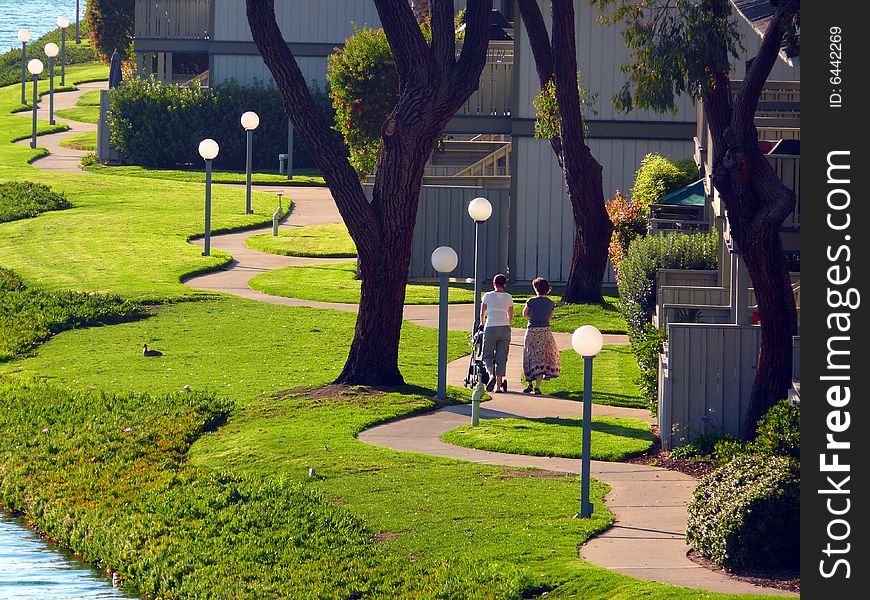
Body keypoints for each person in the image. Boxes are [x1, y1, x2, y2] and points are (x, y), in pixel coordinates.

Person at [522, 277, 560, 394]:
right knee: (542, 358)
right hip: (545, 331)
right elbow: (549, 317)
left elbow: (525, 314)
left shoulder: (531, 301)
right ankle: (538, 386)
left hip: (532, 331)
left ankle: (529, 384)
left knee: (530, 357)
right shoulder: (550, 303)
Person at [480, 273, 513, 392]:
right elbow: (510, 315)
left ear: (493, 283)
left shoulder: (487, 296)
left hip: (491, 326)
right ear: (505, 284)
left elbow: (482, 314)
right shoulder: (509, 297)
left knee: (487, 355)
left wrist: (483, 325)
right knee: (502, 357)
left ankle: (491, 375)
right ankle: (498, 386)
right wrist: (507, 324)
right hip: (504, 328)